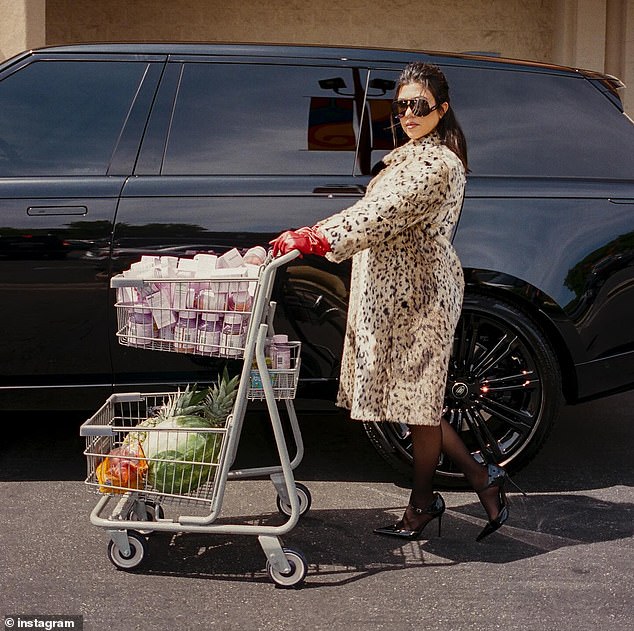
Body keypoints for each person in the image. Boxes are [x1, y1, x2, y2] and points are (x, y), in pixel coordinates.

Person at [271, 62, 519, 542]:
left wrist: (315, 236)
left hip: (420, 296)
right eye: (401, 104)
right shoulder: (408, 156)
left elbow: (379, 214)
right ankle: (479, 479)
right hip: (398, 295)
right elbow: (370, 211)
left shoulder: (435, 164)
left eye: (418, 105)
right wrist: (315, 235)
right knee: (414, 401)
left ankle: (425, 503)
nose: (407, 113)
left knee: (418, 403)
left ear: (441, 109)